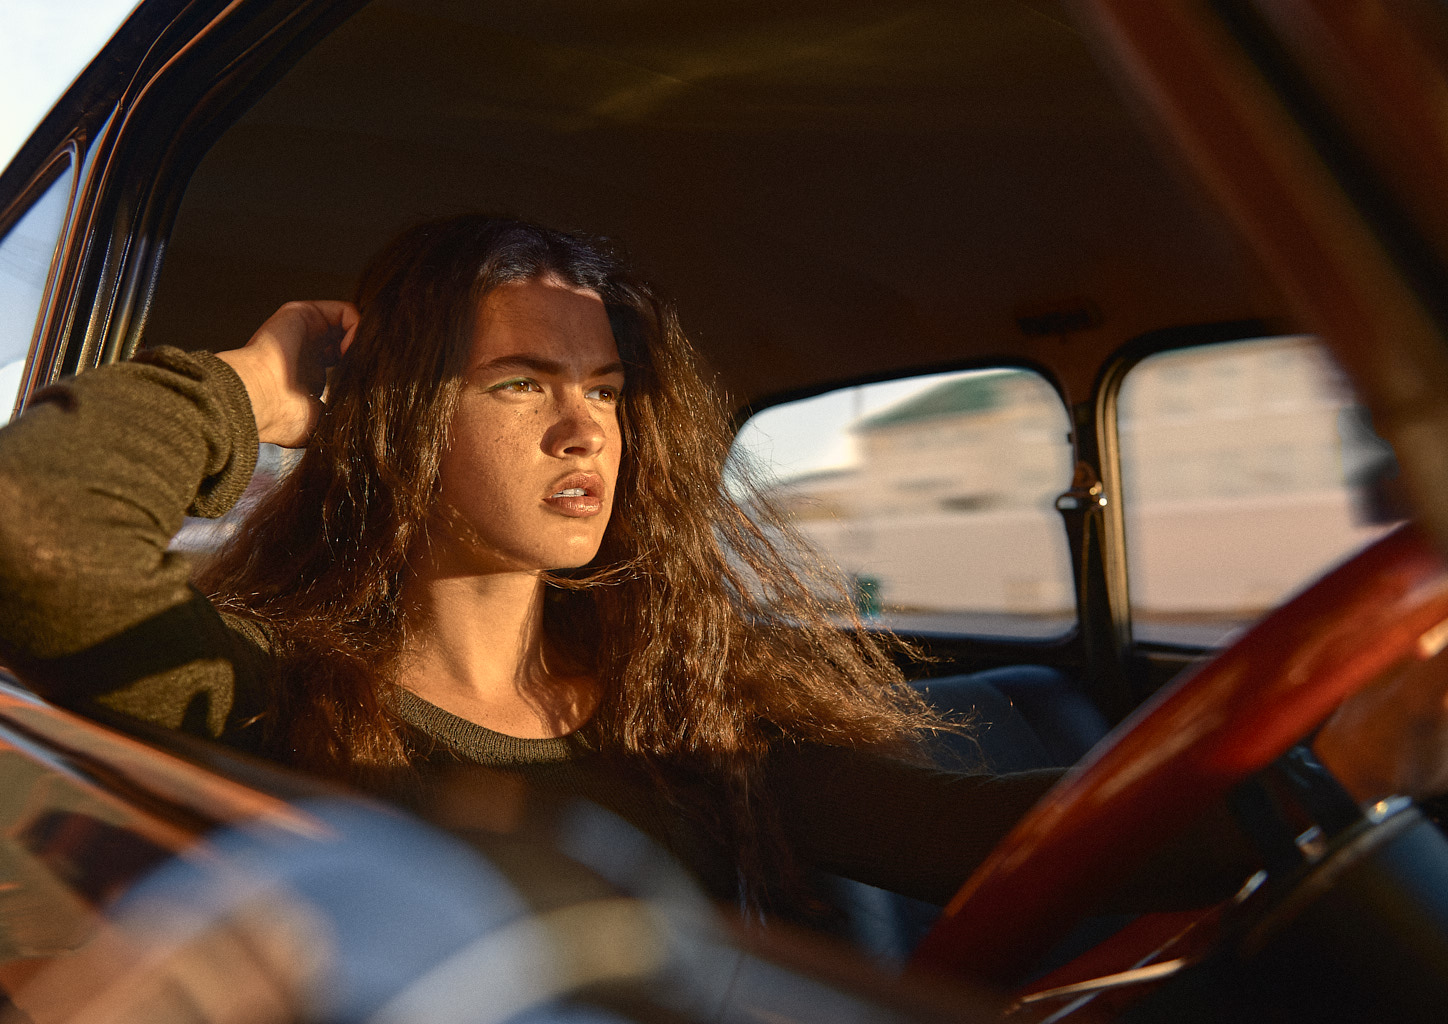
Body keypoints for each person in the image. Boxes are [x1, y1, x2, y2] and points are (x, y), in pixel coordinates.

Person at [0, 215, 1443, 923]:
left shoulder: (690, 725)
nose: (584, 426)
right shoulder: (263, 699)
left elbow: (1020, 852)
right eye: (515, 383)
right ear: (395, 420)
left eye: (610, 390)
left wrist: (1352, 758)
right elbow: (36, 531)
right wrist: (255, 384)